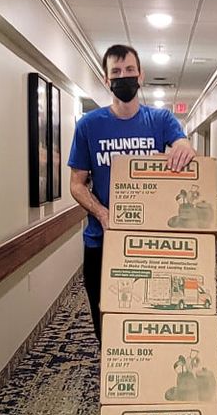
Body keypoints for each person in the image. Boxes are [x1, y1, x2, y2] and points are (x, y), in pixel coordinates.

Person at [68, 44, 195, 337]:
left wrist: (183, 147)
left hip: (147, 244)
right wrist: (102, 213)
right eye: (116, 72)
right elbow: (76, 184)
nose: (122, 77)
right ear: (106, 79)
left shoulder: (160, 120)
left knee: (147, 322)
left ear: (140, 75)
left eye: (129, 71)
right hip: (101, 242)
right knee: (107, 324)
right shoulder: (89, 126)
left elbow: (182, 145)